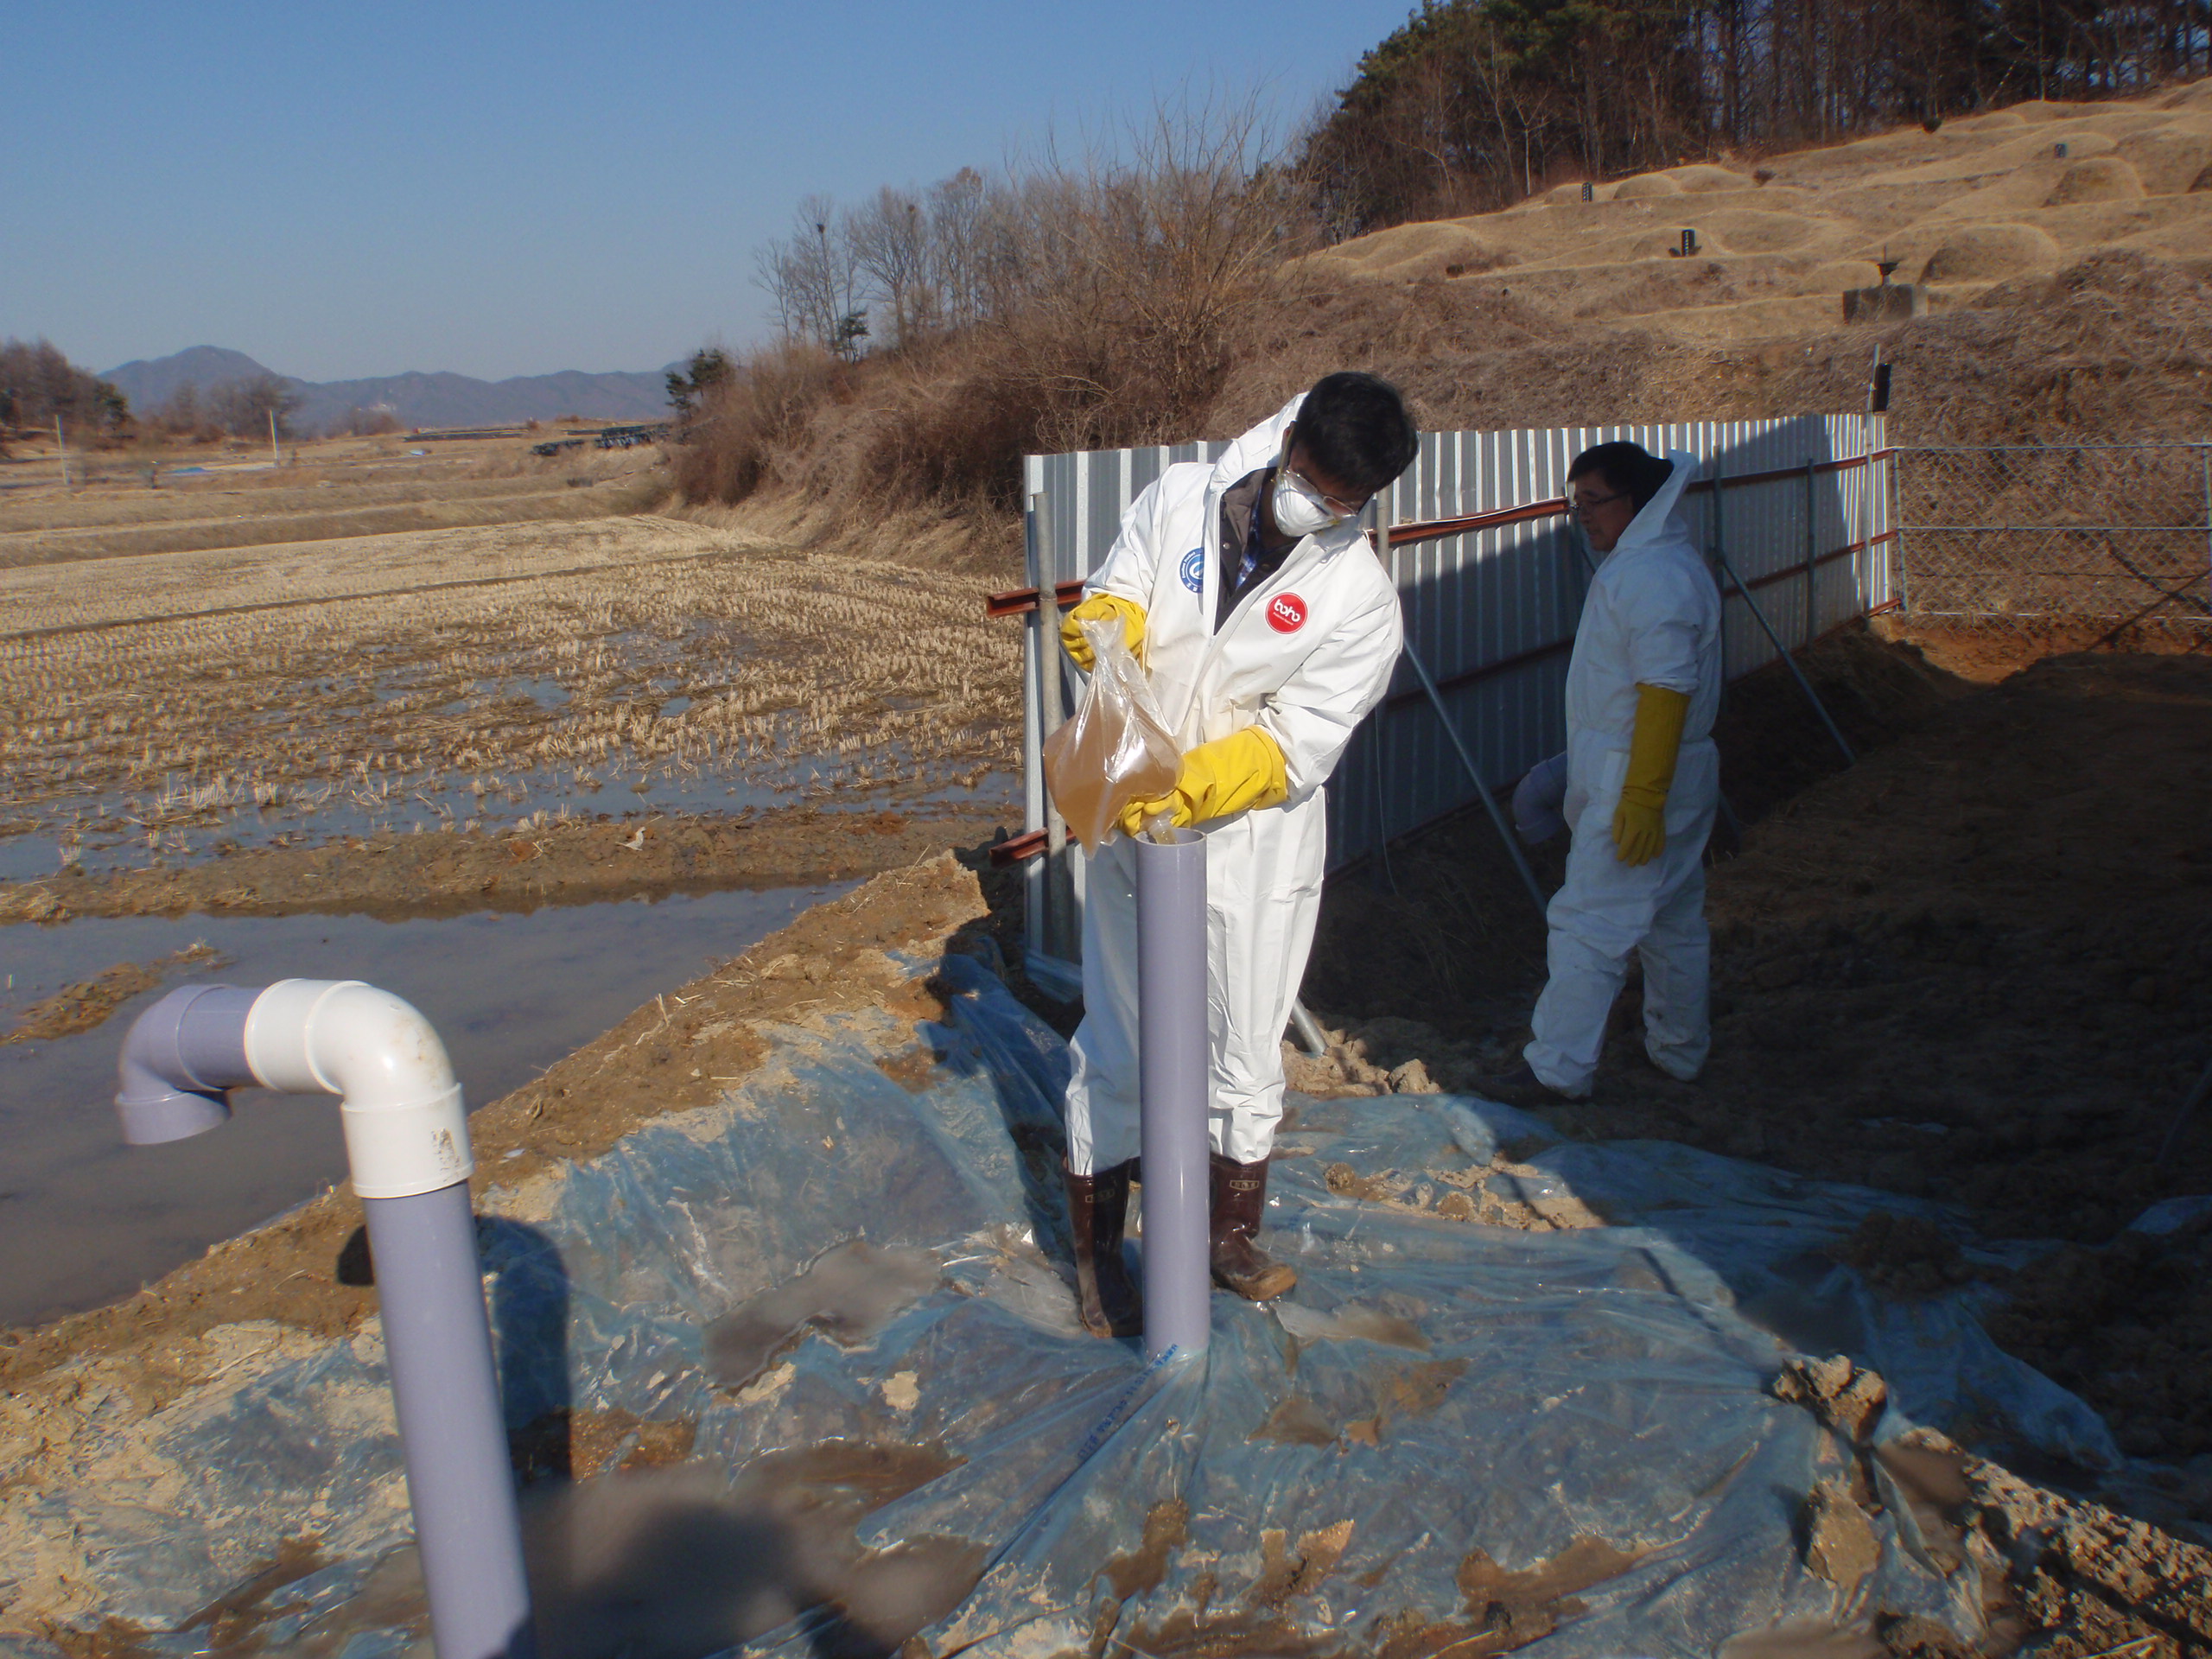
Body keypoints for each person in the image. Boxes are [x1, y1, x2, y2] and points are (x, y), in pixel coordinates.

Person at [1054, 372, 1417, 1336]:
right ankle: (1101, 1257)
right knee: (1122, 1031)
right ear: (1288, 438)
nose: (1317, 507)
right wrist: (1106, 624)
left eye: (1342, 502)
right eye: (1312, 481)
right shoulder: (1180, 499)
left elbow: (1300, 740)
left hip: (1251, 843)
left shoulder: (1358, 598)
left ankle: (1224, 1234)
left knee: (1245, 1039)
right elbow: (1119, 588)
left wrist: (1207, 780)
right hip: (1136, 819)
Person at [1482, 441, 1723, 1106]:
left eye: (1594, 501)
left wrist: (1641, 796)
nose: (1582, 515)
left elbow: (1666, 689)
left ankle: (1556, 1070)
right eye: (1576, 502)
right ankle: (1679, 1053)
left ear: (1635, 501)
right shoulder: (1654, 563)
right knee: (1672, 919)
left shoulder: (1652, 578)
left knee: (1589, 922)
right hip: (1656, 767)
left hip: (1641, 775)